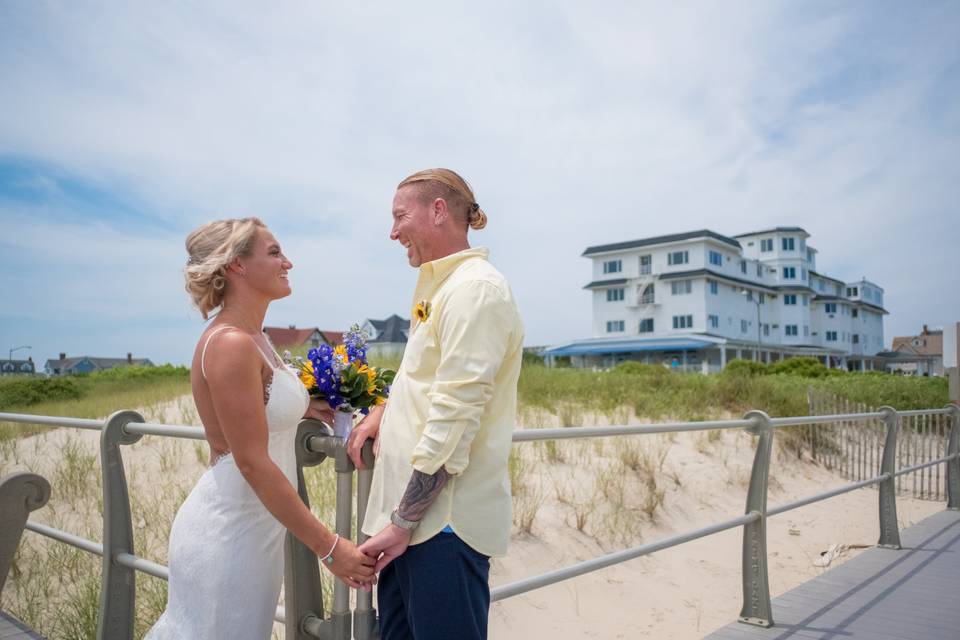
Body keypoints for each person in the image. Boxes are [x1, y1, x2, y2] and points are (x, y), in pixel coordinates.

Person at [146, 217, 375, 639]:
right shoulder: (230, 343)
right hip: (229, 534)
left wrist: (305, 408)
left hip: (256, 532)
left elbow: (261, 409)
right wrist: (329, 547)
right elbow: (251, 462)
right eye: (274, 253)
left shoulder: (257, 337)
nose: (288, 262)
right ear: (236, 265)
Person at [349, 169, 524, 640]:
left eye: (399, 216)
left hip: (442, 528)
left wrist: (404, 521)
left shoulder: (476, 290)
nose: (392, 231)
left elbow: (456, 415)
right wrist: (385, 409)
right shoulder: (441, 287)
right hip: (411, 529)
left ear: (439, 211)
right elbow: (430, 380)